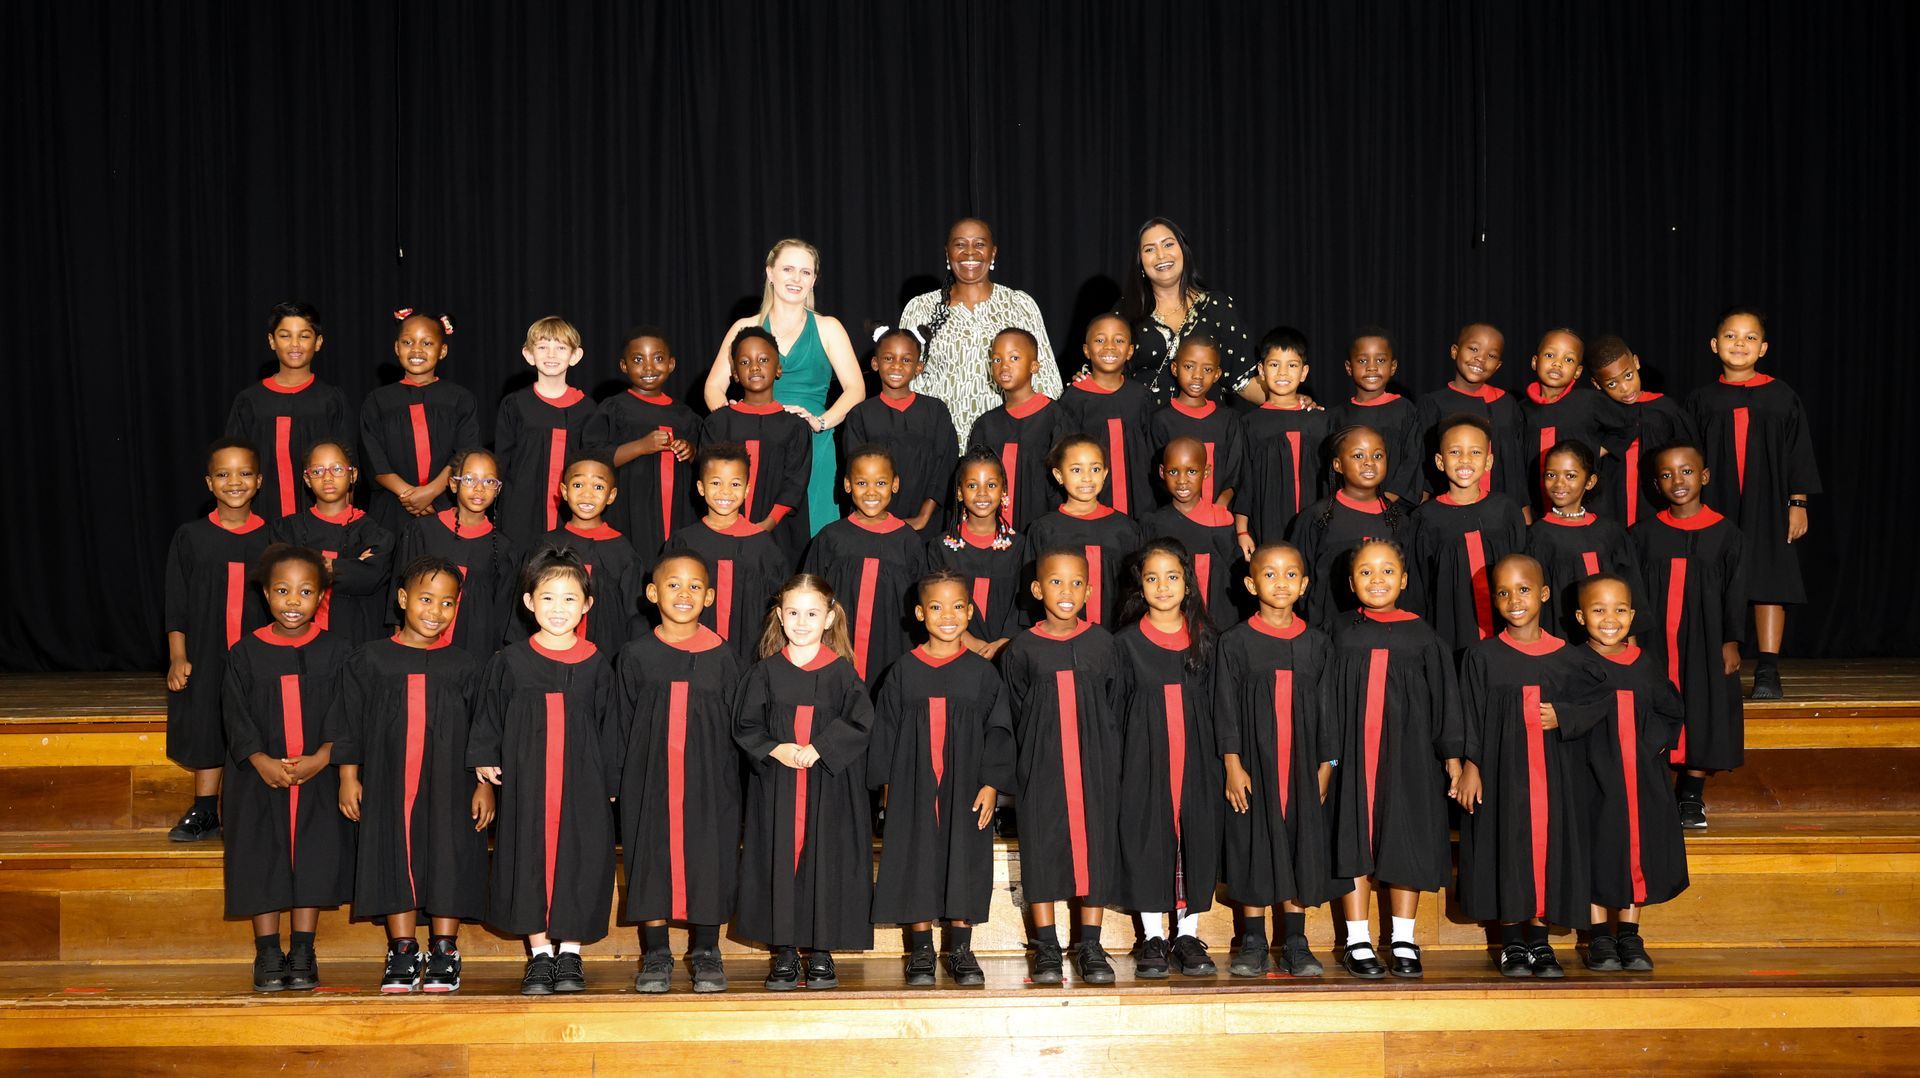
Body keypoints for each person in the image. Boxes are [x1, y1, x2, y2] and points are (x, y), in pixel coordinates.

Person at [328, 555, 491, 993]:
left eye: (447, 603)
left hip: (451, 784)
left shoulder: (465, 665)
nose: (435, 611)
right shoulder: (371, 660)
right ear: (402, 599)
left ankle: (443, 947)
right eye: (425, 599)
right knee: (392, 853)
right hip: (388, 780)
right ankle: (402, 948)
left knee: (448, 854)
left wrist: (483, 784)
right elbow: (350, 720)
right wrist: (348, 775)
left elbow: (482, 729)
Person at [469, 546, 619, 996]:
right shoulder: (510, 661)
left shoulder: (596, 664)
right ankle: (539, 955)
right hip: (528, 782)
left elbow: (611, 726)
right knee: (526, 858)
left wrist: (611, 780)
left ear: (587, 605)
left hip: (583, 783)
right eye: (548, 598)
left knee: (581, 858)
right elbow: (489, 715)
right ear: (529, 602)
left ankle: (570, 953)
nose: (559, 608)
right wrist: (484, 757)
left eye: (570, 599)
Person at [1454, 555, 1610, 978]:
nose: (1514, 599)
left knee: (1546, 849)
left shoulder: (1570, 659)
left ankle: (1540, 944)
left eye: (1523, 589)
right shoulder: (1482, 656)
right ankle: (1512, 944)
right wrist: (1471, 763)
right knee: (1505, 847)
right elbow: (1467, 712)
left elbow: (1601, 702)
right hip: (1502, 775)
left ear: (1542, 594)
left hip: (1555, 777)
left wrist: (1565, 715)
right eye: (1503, 592)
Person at [868, 571, 1017, 987]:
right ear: (919, 613)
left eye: (956, 606)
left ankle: (961, 948)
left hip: (966, 787)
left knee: (965, 858)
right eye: (935, 606)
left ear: (970, 611)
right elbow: (885, 733)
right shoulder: (901, 671)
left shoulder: (982, 674)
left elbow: (999, 729)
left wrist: (991, 784)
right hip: (912, 787)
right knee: (913, 858)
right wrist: (887, 790)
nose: (947, 615)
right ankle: (920, 950)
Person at [1325, 540, 1463, 980]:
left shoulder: (1423, 634)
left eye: (1387, 571)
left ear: (1404, 580)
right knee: (1354, 840)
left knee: (1406, 841)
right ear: (1350, 583)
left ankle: (1403, 936)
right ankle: (1357, 939)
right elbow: (1322, 698)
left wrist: (1453, 758)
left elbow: (1446, 700)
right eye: (1365, 572)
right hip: (1351, 757)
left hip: (1410, 757)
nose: (1377, 579)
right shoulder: (1337, 632)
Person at [733, 574, 877, 990]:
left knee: (824, 861)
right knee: (777, 858)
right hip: (777, 785)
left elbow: (860, 721)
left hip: (827, 789)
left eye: (811, 613)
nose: (801, 621)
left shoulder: (843, 675)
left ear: (830, 618)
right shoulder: (764, 673)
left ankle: (820, 950)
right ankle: (782, 950)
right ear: (779, 616)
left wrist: (820, 749)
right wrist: (776, 749)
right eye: (793, 613)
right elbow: (746, 725)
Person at [222, 544, 355, 992]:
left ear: (322, 597)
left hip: (317, 775)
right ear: (264, 595)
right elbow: (234, 714)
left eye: (304, 592)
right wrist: (258, 758)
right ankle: (267, 952)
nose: (293, 602)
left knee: (313, 858)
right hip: (258, 778)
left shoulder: (337, 652)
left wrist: (323, 757)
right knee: (263, 859)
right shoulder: (245, 653)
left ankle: (302, 949)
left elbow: (345, 709)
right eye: (282, 591)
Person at [614, 551, 743, 994]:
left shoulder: (724, 656)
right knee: (649, 859)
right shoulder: (635, 655)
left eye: (694, 586)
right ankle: (656, 951)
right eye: (672, 584)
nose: (683, 593)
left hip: (710, 779)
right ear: (652, 593)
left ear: (709, 596)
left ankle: (706, 950)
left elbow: (739, 723)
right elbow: (619, 720)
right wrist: (615, 782)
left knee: (710, 856)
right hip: (648, 779)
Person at [1217, 544, 1343, 978]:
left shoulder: (1317, 643)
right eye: (1270, 575)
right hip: (1254, 764)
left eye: (1291, 575)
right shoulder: (1234, 642)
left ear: (1305, 585)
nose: (1281, 582)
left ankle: (1294, 939)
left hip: (1305, 766)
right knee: (1252, 842)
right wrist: (1233, 764)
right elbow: (1225, 707)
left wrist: (1327, 765)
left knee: (1298, 844)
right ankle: (1251, 939)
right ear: (1251, 584)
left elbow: (1330, 710)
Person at [1001, 548, 1123, 985]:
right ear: (1036, 590)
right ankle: (1047, 946)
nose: (1066, 591)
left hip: (1095, 766)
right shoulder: (1023, 649)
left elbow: (1115, 704)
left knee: (1095, 851)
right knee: (1041, 851)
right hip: (1043, 766)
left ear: (1089, 590)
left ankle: (1089, 943)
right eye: (1055, 582)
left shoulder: (1103, 644)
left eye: (1076, 583)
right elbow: (1014, 710)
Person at [1687, 306, 1820, 700]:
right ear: (1715, 345)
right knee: (1712, 580)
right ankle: (1715, 662)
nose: (1739, 344)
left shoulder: (1782, 396)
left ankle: (1767, 669)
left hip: (1769, 501)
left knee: (1769, 580)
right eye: (1730, 336)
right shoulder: (1702, 399)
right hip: (1716, 502)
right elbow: (1688, 456)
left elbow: (1799, 452)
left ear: (1763, 348)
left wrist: (1798, 502)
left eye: (1749, 338)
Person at [1113, 540, 1222, 978]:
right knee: (1148, 838)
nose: (1163, 586)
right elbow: (1115, 711)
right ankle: (1153, 936)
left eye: (1172, 576)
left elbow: (1221, 707)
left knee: (1194, 838)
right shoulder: (1124, 645)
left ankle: (1188, 933)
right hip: (1145, 760)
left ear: (1188, 583)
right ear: (1140, 585)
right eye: (1152, 577)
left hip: (1198, 761)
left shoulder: (1209, 642)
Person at [705, 239, 866, 536]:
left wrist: (820, 422)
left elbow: (856, 388)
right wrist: (730, 419)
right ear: (770, 273)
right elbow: (714, 386)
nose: (796, 278)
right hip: (756, 445)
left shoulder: (828, 327)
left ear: (814, 280)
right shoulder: (745, 327)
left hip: (814, 447)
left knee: (814, 538)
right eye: (788, 269)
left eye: (805, 272)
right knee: (751, 535)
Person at [1573, 574, 1689, 973]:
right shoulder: (1573, 664)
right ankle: (1598, 936)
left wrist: (1649, 747)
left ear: (1633, 615)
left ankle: (1629, 935)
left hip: (1639, 778)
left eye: (1620, 610)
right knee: (1597, 851)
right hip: (1592, 779)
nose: (1610, 618)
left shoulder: (1644, 664)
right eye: (1599, 610)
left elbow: (1669, 710)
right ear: (1580, 616)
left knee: (1635, 849)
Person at [1633, 444, 1747, 830]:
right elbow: (1631, 591)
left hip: (1705, 639)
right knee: (1653, 707)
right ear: (1655, 483)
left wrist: (1731, 640)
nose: (1677, 481)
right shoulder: (1643, 535)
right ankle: (1655, 790)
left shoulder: (1726, 534)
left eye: (1685, 471)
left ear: (1704, 476)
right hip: (1655, 644)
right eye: (1666, 475)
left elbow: (1736, 591)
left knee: (1704, 707)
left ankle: (1692, 796)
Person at [164, 438, 272, 842]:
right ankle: (206, 808)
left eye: (244, 473)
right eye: (223, 474)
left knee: (254, 725)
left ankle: (249, 811)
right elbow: (176, 601)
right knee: (208, 722)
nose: (234, 482)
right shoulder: (190, 537)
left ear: (259, 481)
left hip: (257, 655)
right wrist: (178, 655)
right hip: (206, 651)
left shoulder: (273, 537)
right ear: (209, 483)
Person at [899, 217, 1062, 445]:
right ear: (948, 253)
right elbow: (905, 381)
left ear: (993, 253)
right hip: (939, 443)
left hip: (1011, 440)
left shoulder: (1019, 305)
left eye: (979, 244)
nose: (969, 253)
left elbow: (1047, 381)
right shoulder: (921, 309)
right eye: (960, 244)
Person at [801, 445, 929, 684]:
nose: (871, 492)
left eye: (880, 483)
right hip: (837, 646)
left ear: (895, 484)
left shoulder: (908, 541)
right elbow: (810, 594)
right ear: (847, 485)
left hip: (891, 648)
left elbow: (920, 602)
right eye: (862, 483)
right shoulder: (831, 537)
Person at [1410, 415, 1528, 654]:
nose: (1465, 460)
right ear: (1440, 461)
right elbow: (1418, 586)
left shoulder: (1506, 511)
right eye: (1455, 452)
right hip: (1449, 630)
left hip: (1505, 630)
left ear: (1489, 461)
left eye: (1475, 452)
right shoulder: (1425, 518)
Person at [225, 301, 353, 520]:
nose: (295, 344)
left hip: (319, 520)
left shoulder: (331, 400)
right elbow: (233, 466)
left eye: (304, 336)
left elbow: (348, 468)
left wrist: (343, 522)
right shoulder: (250, 401)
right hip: (261, 517)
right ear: (271, 341)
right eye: (285, 335)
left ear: (319, 342)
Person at [699, 327, 814, 565]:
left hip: (778, 530)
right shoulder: (719, 423)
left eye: (763, 360)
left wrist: (768, 524)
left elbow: (796, 483)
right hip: (723, 525)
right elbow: (706, 476)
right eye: (744, 361)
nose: (754, 367)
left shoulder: (795, 427)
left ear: (778, 368)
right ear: (735, 373)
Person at [360, 311, 478, 540]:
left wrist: (431, 491)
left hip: (444, 503)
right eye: (407, 342)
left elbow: (465, 452)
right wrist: (410, 495)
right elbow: (373, 457)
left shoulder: (460, 399)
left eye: (427, 343)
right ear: (396, 348)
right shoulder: (378, 401)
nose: (416, 350)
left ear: (442, 350)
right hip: (393, 504)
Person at [671, 444, 793, 665]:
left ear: (747, 489)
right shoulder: (685, 542)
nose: (725, 492)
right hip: (691, 654)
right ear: (700, 487)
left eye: (735, 484)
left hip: (750, 652)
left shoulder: (762, 545)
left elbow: (780, 602)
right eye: (716, 483)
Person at [583, 326, 701, 555]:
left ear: (671, 364)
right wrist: (641, 446)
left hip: (680, 509)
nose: (648, 367)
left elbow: (705, 461)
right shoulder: (614, 408)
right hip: (631, 508)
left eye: (658, 358)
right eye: (638, 359)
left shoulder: (685, 414)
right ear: (624, 366)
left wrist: (692, 451)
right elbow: (594, 457)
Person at [1288, 426, 1419, 630]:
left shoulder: (1398, 520)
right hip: (1327, 631)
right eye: (1358, 455)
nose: (1369, 462)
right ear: (1338, 465)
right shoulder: (1317, 517)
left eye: (1377, 455)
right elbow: (1298, 579)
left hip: (1384, 631)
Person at [392, 448, 520, 655]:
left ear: (498, 489)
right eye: (469, 479)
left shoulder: (504, 548)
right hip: (421, 642)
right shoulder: (422, 531)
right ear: (453, 484)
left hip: (474, 646)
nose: (479, 489)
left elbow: (502, 611)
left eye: (489, 482)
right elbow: (400, 590)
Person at [1117, 217, 1258, 404]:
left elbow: (1244, 381)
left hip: (1206, 430)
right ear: (1140, 263)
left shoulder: (1217, 307)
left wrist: (1291, 403)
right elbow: (1104, 376)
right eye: (1149, 249)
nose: (1161, 255)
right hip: (1144, 429)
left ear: (1184, 250)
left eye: (1168, 245)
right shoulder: (1125, 312)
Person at [518, 452, 643, 656]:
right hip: (545, 651)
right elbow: (525, 604)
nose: (587, 494)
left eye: (598, 486)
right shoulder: (546, 544)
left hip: (605, 654)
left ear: (611, 495)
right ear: (564, 492)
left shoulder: (623, 550)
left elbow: (634, 615)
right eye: (578, 485)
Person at [271, 442, 393, 647]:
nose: (327, 477)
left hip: (356, 635)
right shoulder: (286, 529)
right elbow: (282, 575)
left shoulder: (374, 533)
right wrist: (351, 565)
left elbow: (371, 576)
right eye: (317, 471)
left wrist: (313, 563)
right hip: (299, 639)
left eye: (337, 469)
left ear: (353, 475)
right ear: (307, 479)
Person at [838, 326, 958, 534]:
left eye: (906, 360)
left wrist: (923, 517)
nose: (896, 366)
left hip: (928, 522)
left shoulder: (935, 411)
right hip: (873, 522)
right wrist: (880, 520)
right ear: (875, 363)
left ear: (918, 367)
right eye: (888, 358)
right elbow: (857, 472)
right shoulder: (860, 415)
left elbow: (945, 466)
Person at [1524, 440, 1646, 641]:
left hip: (1610, 638)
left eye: (1570, 476)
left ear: (1590, 481)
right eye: (1551, 475)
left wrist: (1630, 645)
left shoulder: (1611, 532)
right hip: (1561, 640)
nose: (1559, 484)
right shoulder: (1537, 535)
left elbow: (1632, 592)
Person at [495, 317, 595, 546]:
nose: (551, 355)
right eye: (542, 347)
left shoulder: (588, 409)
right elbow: (502, 461)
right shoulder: (515, 404)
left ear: (575, 356)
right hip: (520, 509)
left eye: (560, 348)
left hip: (570, 510)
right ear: (529, 354)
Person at [1025, 435, 1142, 627]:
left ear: (1105, 474)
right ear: (1059, 475)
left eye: (1095, 469)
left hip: (1116, 635)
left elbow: (1135, 592)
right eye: (1076, 470)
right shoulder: (1044, 530)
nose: (1087, 478)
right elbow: (1032, 600)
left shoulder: (1125, 529)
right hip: (1059, 640)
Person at [1415, 323, 1530, 512]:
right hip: (1448, 509)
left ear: (1498, 365)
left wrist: (1524, 513)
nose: (1481, 358)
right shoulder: (1434, 404)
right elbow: (1423, 464)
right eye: (1474, 349)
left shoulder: (1506, 404)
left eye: (1491, 356)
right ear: (1454, 351)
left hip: (1499, 511)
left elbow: (1515, 466)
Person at [1238, 327, 1334, 550]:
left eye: (1292, 365)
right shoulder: (1250, 423)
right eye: (1274, 365)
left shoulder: (1320, 421)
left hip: (1316, 522)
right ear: (1261, 370)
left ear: (1304, 372)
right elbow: (1245, 481)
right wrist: (1242, 529)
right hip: (1269, 522)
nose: (1283, 373)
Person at [925, 449, 1028, 657]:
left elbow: (1025, 605)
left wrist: (1006, 642)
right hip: (955, 650)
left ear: (1003, 490)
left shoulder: (1021, 546)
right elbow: (933, 603)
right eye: (972, 486)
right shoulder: (941, 548)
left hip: (1010, 652)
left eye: (991, 485)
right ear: (960, 492)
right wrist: (968, 640)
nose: (982, 493)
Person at [966, 327, 1070, 532]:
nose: (1004, 366)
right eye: (997, 360)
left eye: (1014, 358)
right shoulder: (985, 425)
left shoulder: (1055, 417)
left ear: (1034, 366)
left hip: (1042, 526)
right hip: (992, 531)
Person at [1588, 335, 1697, 527]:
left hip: (1655, 502)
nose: (1625, 387)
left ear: (1636, 363)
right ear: (1597, 384)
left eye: (1628, 375)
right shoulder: (1596, 416)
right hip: (1609, 504)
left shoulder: (1665, 410)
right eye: (1612, 384)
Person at [1059, 313, 1157, 516]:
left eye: (1119, 340)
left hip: (1138, 501)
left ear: (1130, 351)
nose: (1110, 346)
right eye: (1100, 340)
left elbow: (1151, 450)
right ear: (1086, 350)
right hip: (1091, 501)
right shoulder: (1074, 398)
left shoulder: (1140, 396)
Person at [1519, 329, 1621, 515]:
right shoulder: (1522, 410)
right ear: (1535, 362)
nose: (1558, 363)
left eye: (1568, 360)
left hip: (1585, 505)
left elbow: (1626, 424)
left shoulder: (1588, 401)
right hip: (1538, 503)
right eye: (1550, 355)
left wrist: (1597, 449)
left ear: (1577, 371)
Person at [1139, 437, 1239, 627]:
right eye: (1173, 472)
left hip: (1218, 621)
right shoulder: (1153, 523)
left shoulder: (1221, 520)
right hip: (1169, 623)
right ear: (1162, 472)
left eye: (1191, 471)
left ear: (1207, 472)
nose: (1182, 481)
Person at [1148, 336, 1247, 510]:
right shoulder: (1161, 421)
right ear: (1174, 368)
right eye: (1188, 366)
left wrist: (1219, 507)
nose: (1198, 376)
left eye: (1207, 369)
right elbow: (1156, 476)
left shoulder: (1230, 421)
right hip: (1176, 519)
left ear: (1217, 374)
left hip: (1219, 519)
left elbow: (1236, 472)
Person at [1326, 329, 1424, 503]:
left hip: (1395, 509)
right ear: (1349, 368)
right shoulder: (1337, 416)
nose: (1372, 367)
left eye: (1380, 360)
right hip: (1349, 508)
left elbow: (1414, 459)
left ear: (1392, 367)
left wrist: (1389, 499)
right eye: (1363, 360)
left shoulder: (1404, 410)